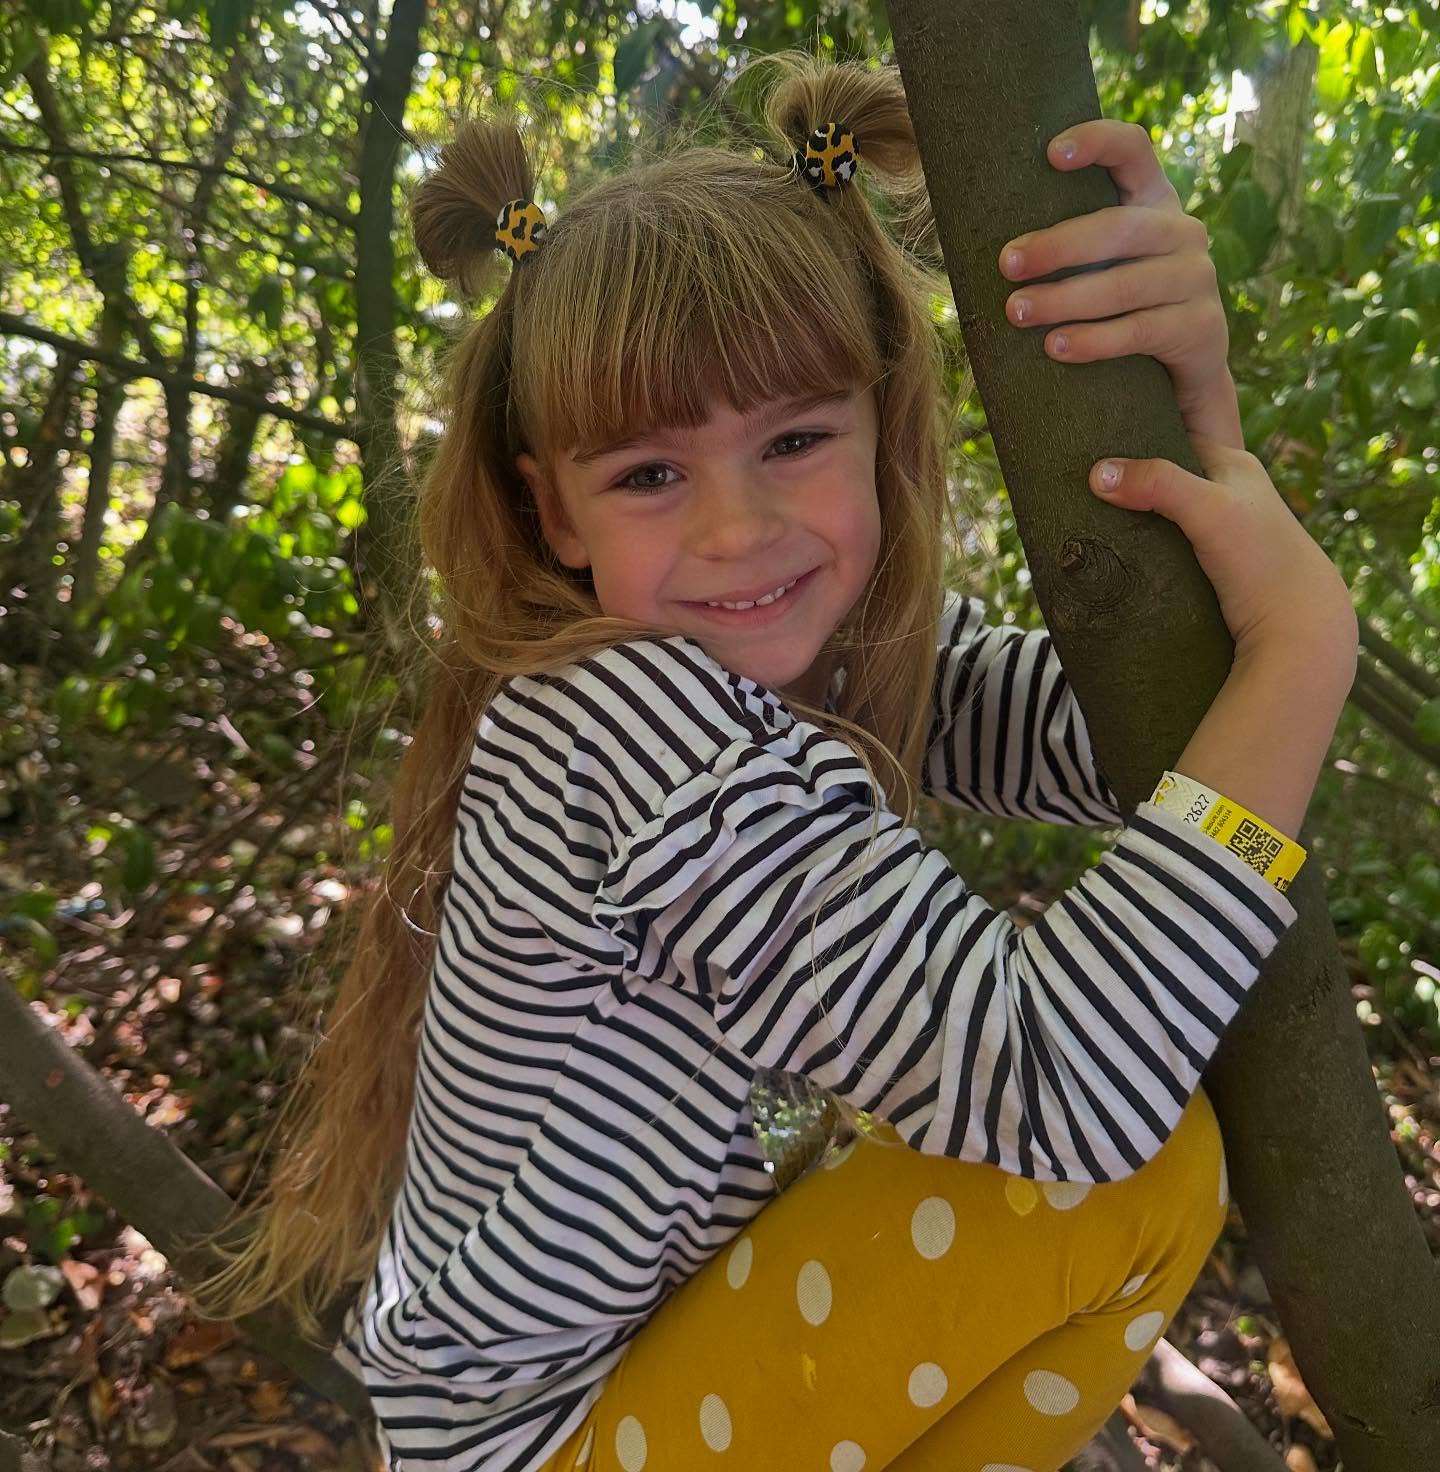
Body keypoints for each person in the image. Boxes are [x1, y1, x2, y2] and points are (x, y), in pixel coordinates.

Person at [188, 50, 1359, 1472]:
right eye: (648, 474)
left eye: (795, 437)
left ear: (881, 428)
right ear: (551, 512)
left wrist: (1194, 413)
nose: (740, 530)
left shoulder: (824, 655)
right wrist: (1303, 655)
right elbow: (1065, 1087)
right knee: (1128, 1180)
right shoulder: (617, 717)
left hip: (655, 1362)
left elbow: (1139, 725)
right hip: (540, 1444)